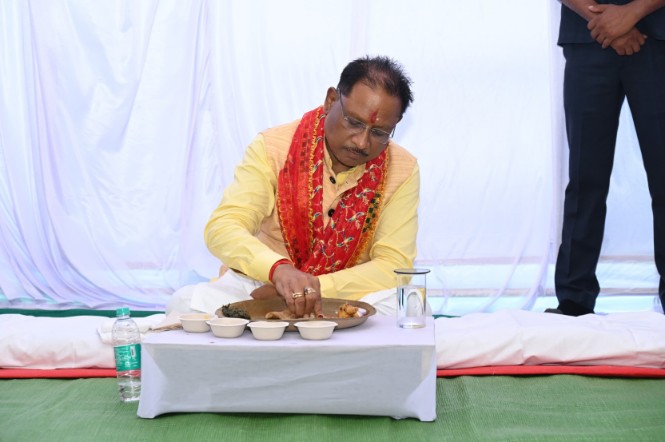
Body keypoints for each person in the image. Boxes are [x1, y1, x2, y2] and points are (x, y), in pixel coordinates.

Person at [167, 55, 419, 318]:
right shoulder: (273, 147)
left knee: (411, 308)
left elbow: (394, 264)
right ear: (331, 100)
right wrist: (278, 270)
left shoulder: (402, 169)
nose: (361, 142)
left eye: (379, 133)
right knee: (184, 303)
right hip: (260, 286)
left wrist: (311, 288)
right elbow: (223, 227)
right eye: (354, 122)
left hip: (345, 297)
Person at [550, 0, 665, 316]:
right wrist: (603, 20)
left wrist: (632, 12)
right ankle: (574, 299)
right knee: (585, 179)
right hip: (588, 36)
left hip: (658, 36)